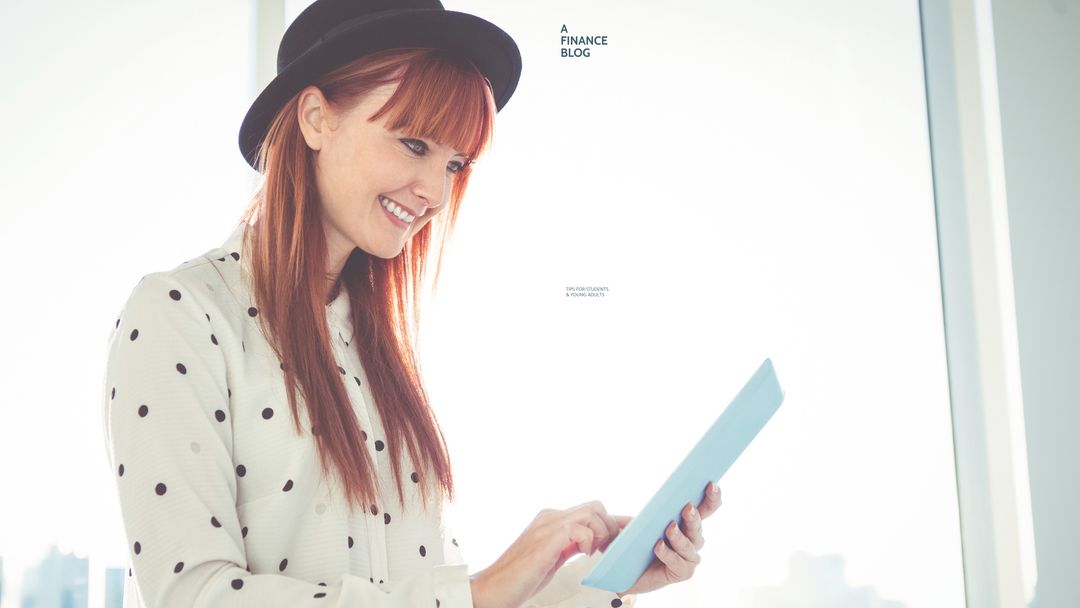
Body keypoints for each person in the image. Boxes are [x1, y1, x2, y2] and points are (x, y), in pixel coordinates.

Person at [101, 1, 723, 606]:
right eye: (414, 144)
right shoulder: (179, 315)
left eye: (455, 163)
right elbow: (190, 595)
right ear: (317, 118)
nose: (435, 192)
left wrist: (598, 581)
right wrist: (475, 593)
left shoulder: (379, 352)